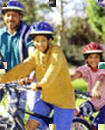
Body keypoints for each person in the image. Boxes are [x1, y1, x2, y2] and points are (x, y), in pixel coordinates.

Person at [0, 21, 75, 130]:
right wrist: (3, 79)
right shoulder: (36, 54)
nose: (40, 44)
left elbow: (52, 70)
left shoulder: (56, 52)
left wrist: (41, 84)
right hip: (46, 99)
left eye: (43, 40)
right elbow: (23, 68)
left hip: (63, 101)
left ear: (49, 40)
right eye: (36, 41)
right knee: (30, 126)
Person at [0, 0, 36, 120]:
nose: (11, 18)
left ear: (20, 16)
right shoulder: (1, 35)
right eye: (8, 15)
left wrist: (27, 75)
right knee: (10, 115)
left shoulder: (27, 32)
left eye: (14, 15)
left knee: (22, 115)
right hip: (9, 79)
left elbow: (33, 56)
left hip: (28, 78)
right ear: (4, 17)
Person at [71, 42, 105, 130]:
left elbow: (101, 78)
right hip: (93, 101)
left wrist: (95, 89)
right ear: (86, 58)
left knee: (99, 124)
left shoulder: (103, 66)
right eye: (90, 57)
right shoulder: (86, 68)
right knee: (80, 112)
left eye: (96, 57)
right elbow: (75, 75)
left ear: (100, 58)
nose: (93, 60)